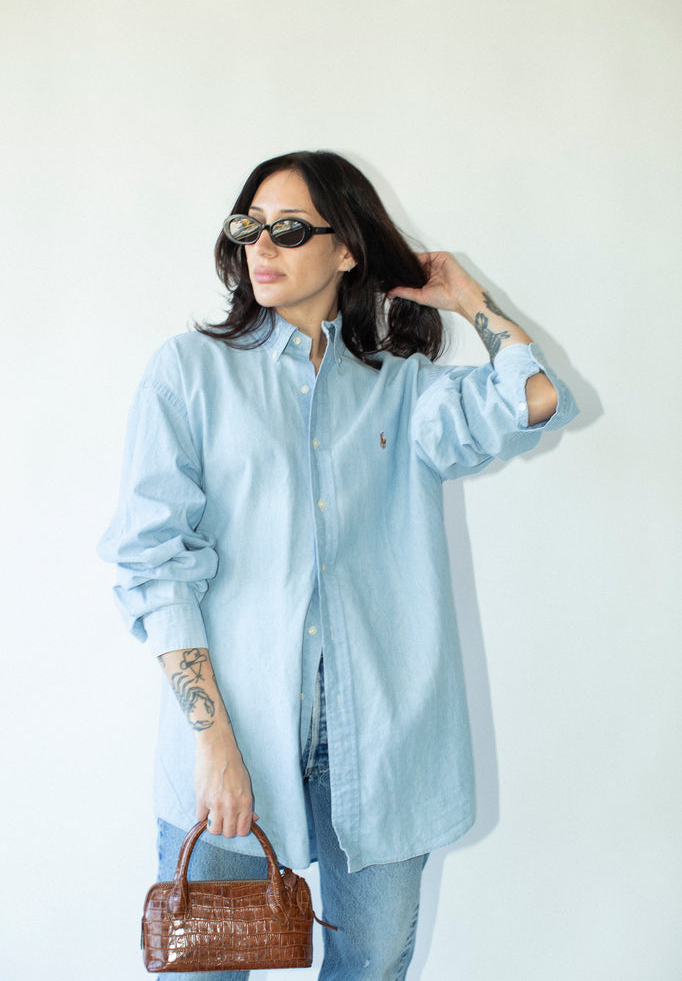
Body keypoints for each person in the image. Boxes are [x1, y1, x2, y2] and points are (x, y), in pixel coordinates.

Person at [99, 150, 577, 981]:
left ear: (346, 249)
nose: (262, 247)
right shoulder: (191, 374)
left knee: (373, 969)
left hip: (385, 751)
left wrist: (470, 300)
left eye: (288, 229)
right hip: (232, 743)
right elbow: (153, 569)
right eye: (248, 228)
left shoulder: (403, 391)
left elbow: (535, 400)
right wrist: (215, 746)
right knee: (208, 969)